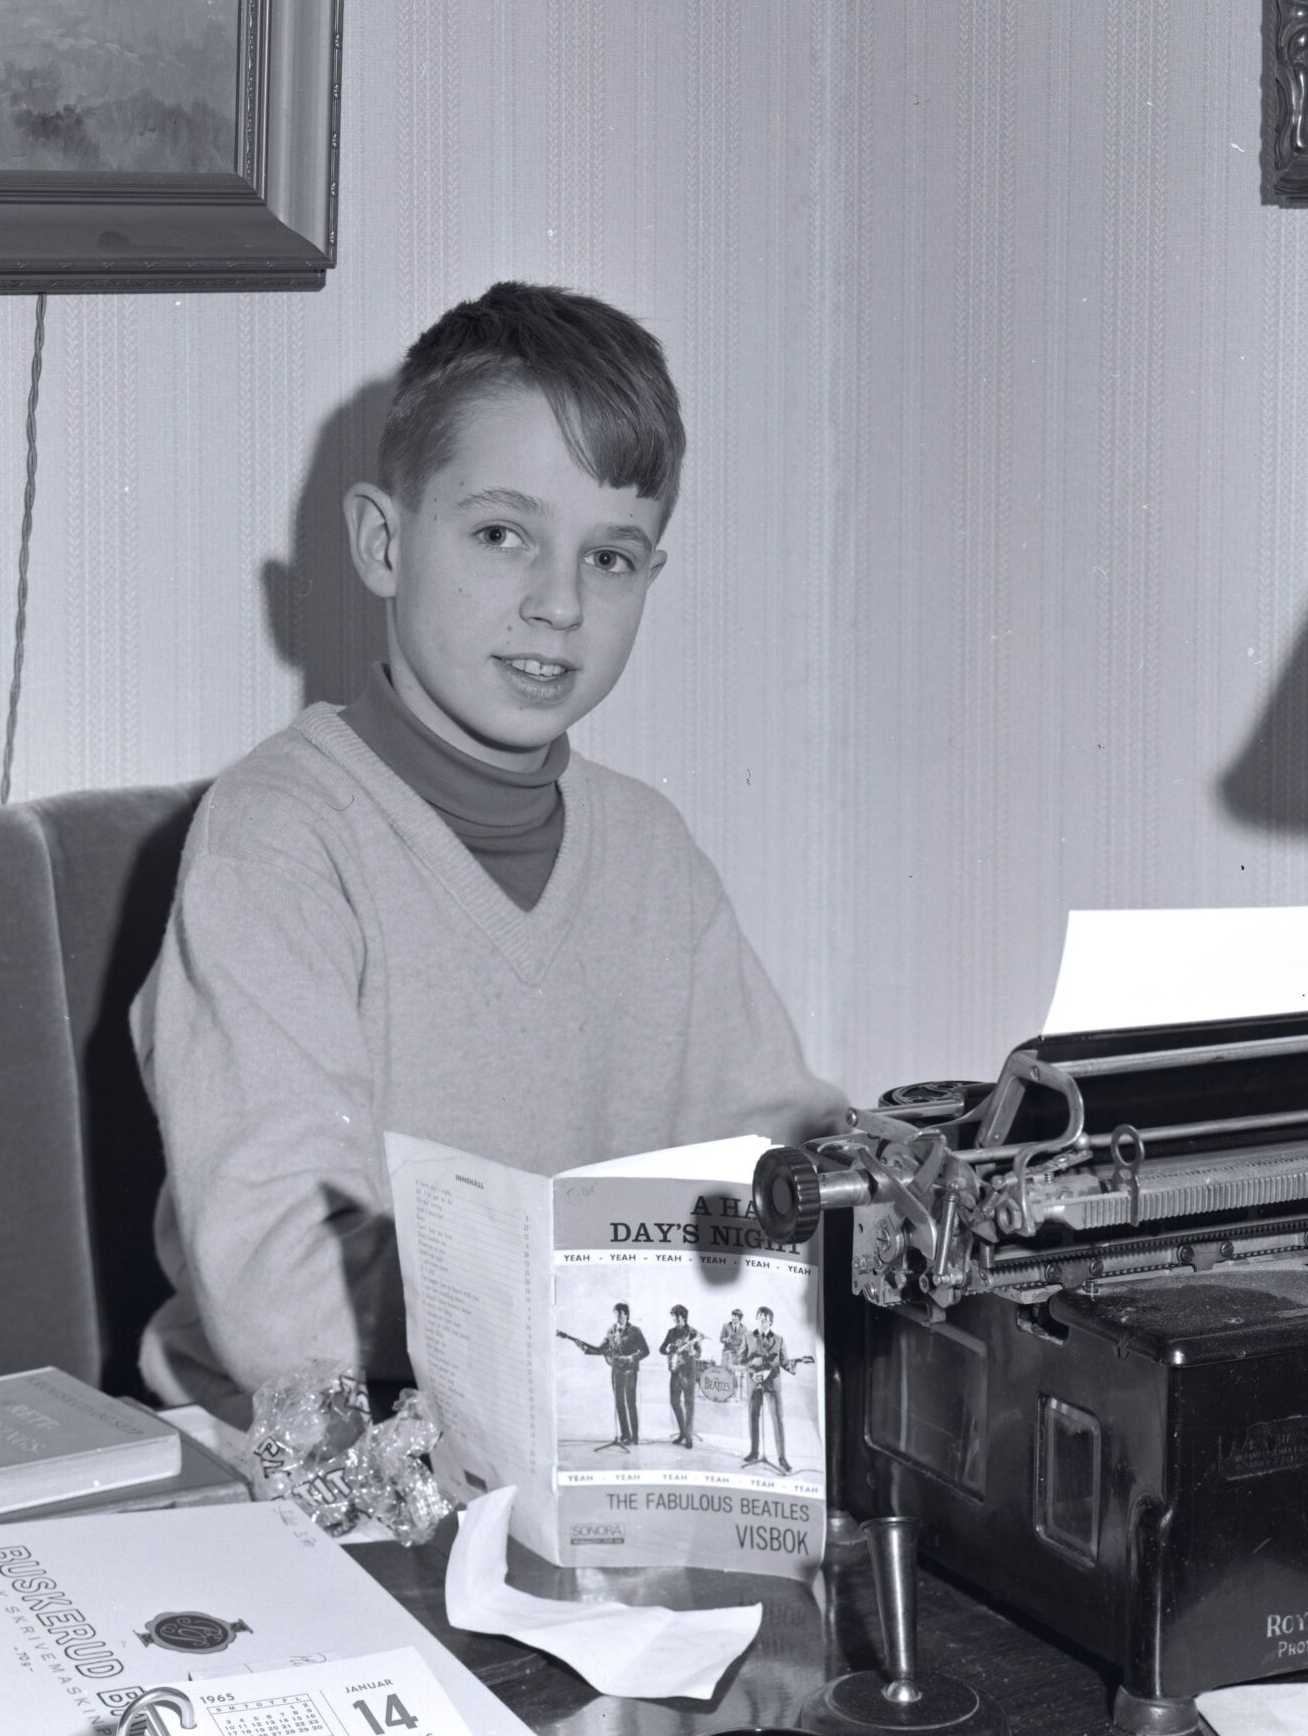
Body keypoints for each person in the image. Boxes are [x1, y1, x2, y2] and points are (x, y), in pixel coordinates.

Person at [137, 281, 848, 1406]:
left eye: (609, 558)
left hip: (577, 1417)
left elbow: (770, 1155)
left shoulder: (650, 850)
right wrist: (606, 1284)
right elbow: (282, 1295)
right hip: (320, 1450)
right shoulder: (278, 840)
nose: (557, 603)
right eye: (501, 535)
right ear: (384, 541)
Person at [563, 1303, 650, 1449]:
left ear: (627, 1315)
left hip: (630, 1372)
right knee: (619, 1403)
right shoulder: (611, 1331)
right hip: (616, 1371)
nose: (618, 1316)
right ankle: (625, 1434)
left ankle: (634, 1437)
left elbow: (645, 1351)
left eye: (620, 1314)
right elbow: (600, 1350)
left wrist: (630, 1358)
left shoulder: (635, 1331)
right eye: (615, 1314)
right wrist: (585, 1348)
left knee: (630, 1403)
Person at [742, 1305, 814, 1473]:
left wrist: (795, 1363)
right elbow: (741, 1359)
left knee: (778, 1420)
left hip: (772, 1384)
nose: (762, 1320)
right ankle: (754, 1452)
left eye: (765, 1318)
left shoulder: (779, 1340)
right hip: (754, 1383)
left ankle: (782, 1458)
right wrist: (752, 1371)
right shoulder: (748, 1337)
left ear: (771, 1322)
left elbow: (784, 1361)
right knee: (753, 1417)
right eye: (759, 1317)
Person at [660, 1304, 702, 1447]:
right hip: (675, 1372)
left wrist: (693, 1352)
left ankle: (688, 1438)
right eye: (673, 1317)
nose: (675, 1320)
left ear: (684, 1317)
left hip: (688, 1373)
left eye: (677, 1317)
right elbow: (662, 1349)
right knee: (674, 1402)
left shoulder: (693, 1332)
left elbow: (698, 1353)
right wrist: (668, 1349)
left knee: (689, 1405)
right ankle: (683, 1432)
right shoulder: (671, 1332)